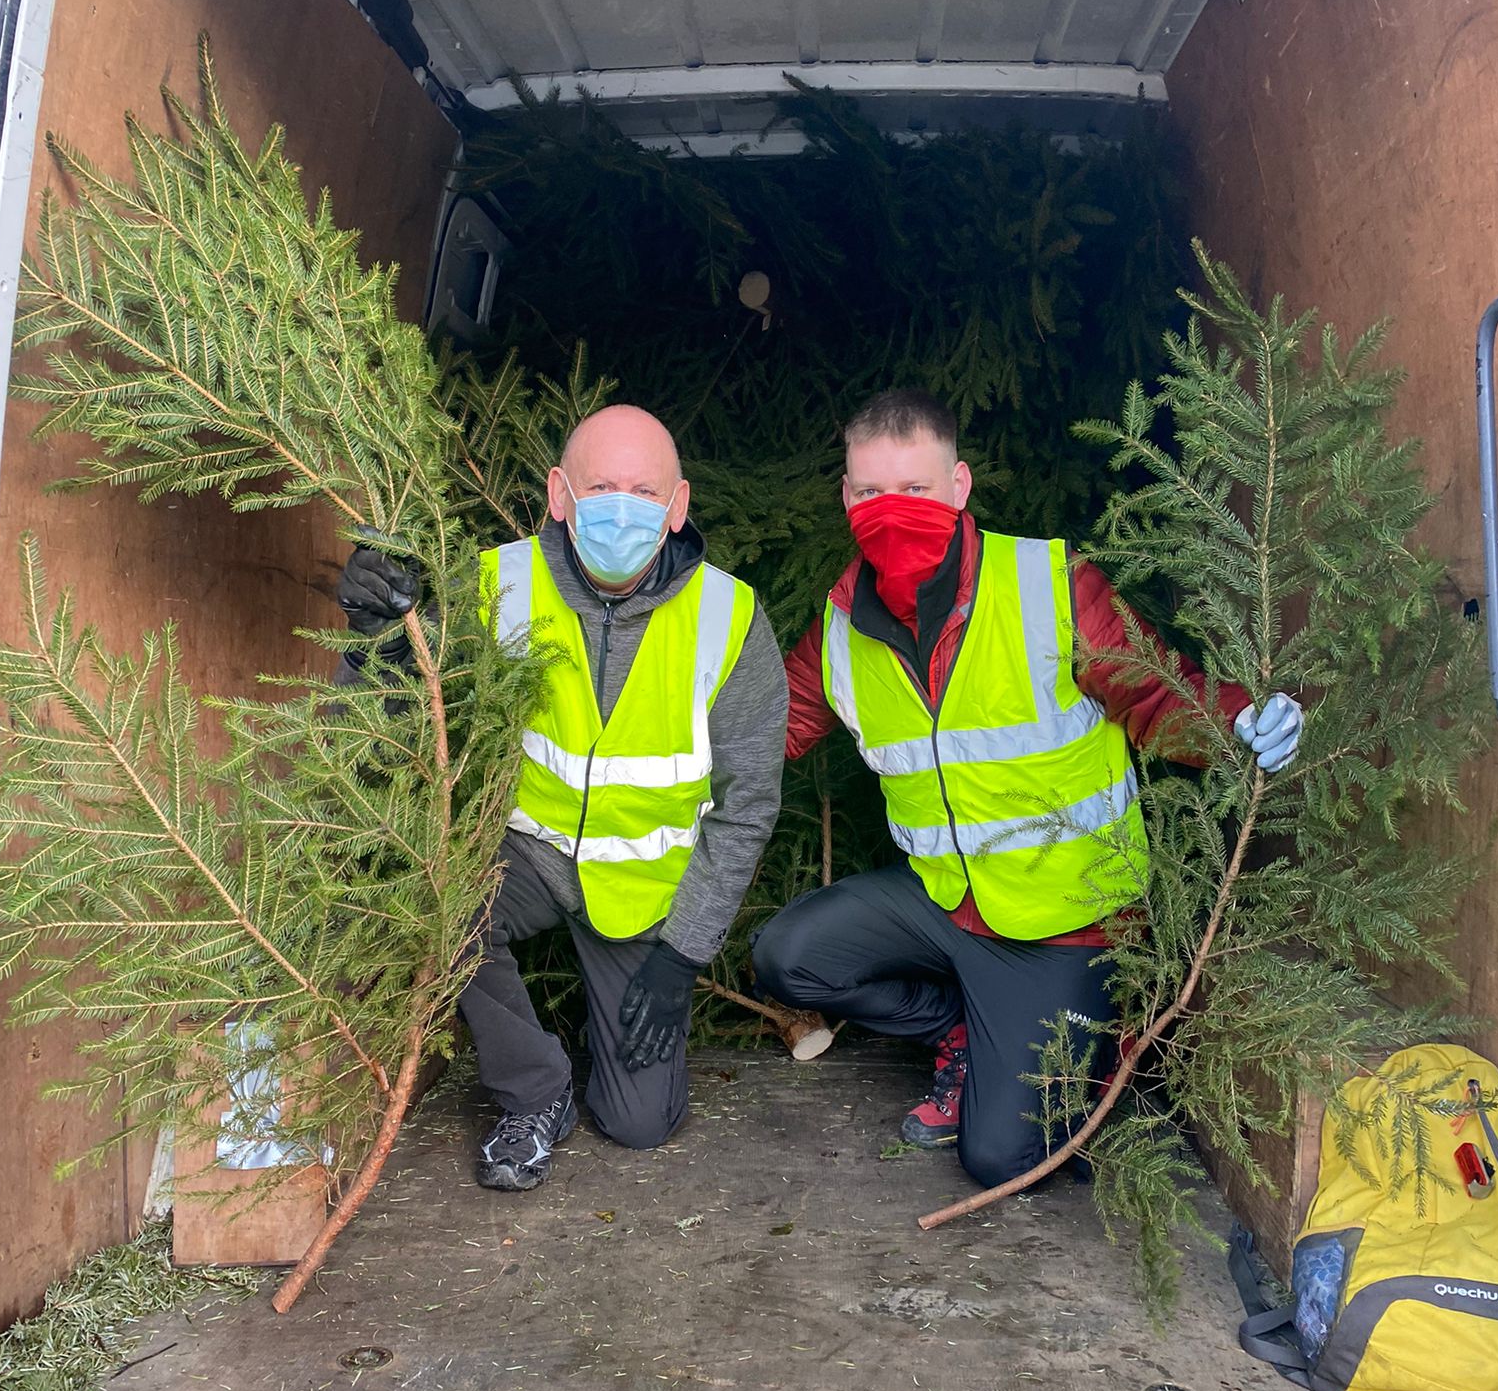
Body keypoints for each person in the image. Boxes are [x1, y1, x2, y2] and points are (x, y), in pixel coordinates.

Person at [752, 389, 1302, 1192]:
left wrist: (1240, 721)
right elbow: (773, 725)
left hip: (1069, 921)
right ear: (846, 497)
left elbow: (1155, 694)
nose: (891, 511)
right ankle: (964, 1030)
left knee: (1004, 1160)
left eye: (915, 491)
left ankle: (1087, 1038)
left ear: (960, 487)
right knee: (788, 956)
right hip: (944, 903)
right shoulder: (841, 625)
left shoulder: (1048, 585)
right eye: (870, 494)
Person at [338, 404, 788, 1191]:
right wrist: (369, 635)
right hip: (526, 854)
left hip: (646, 888)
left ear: (679, 505)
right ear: (559, 494)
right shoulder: (495, 583)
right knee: (444, 901)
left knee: (639, 1124)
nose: (623, 507)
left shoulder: (730, 619)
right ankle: (535, 1090)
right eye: (601, 486)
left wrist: (684, 952)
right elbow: (385, 716)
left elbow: (748, 802)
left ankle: (608, 1053)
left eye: (645, 491)